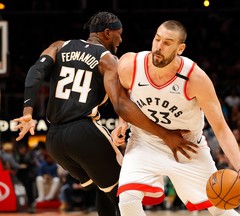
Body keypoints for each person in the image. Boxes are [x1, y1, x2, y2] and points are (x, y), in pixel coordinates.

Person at [13, 12, 195, 216]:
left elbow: (36, 71)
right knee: (125, 195)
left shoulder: (59, 46)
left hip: (55, 141)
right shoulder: (107, 60)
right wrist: (166, 135)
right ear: (107, 33)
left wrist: (27, 112)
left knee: (103, 188)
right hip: (84, 133)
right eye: (119, 34)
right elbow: (122, 106)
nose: (121, 39)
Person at [112, 20, 240, 216]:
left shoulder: (196, 79)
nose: (158, 47)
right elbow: (125, 99)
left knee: (220, 206)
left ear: (180, 48)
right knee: (127, 200)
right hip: (145, 142)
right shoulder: (130, 65)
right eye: (157, 39)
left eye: (167, 43)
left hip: (187, 148)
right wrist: (122, 123)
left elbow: (221, 128)